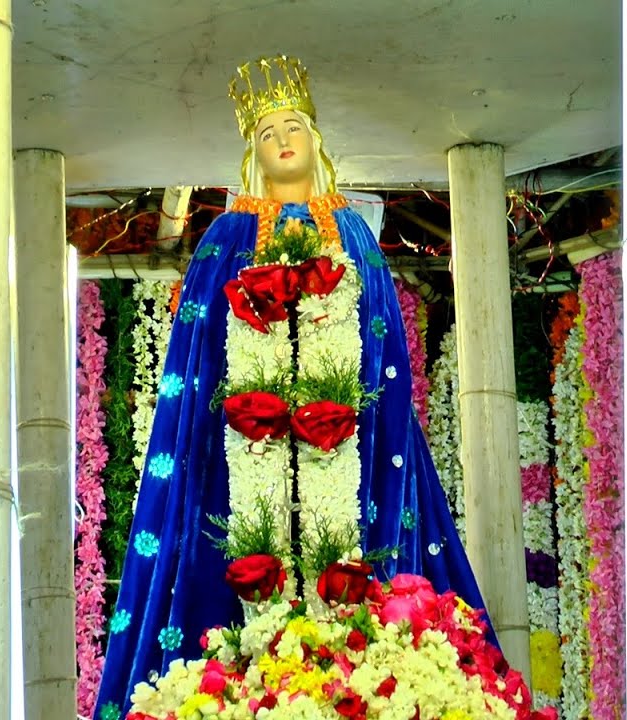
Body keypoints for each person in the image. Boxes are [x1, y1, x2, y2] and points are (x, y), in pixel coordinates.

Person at [94, 56, 496, 719]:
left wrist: (343, 404)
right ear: (252, 152)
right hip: (242, 449)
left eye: (295, 126)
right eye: (267, 132)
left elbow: (383, 345)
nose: (283, 140)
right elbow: (200, 348)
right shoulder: (226, 236)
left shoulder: (357, 237)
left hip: (349, 449)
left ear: (317, 141)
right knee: (230, 564)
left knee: (362, 560)